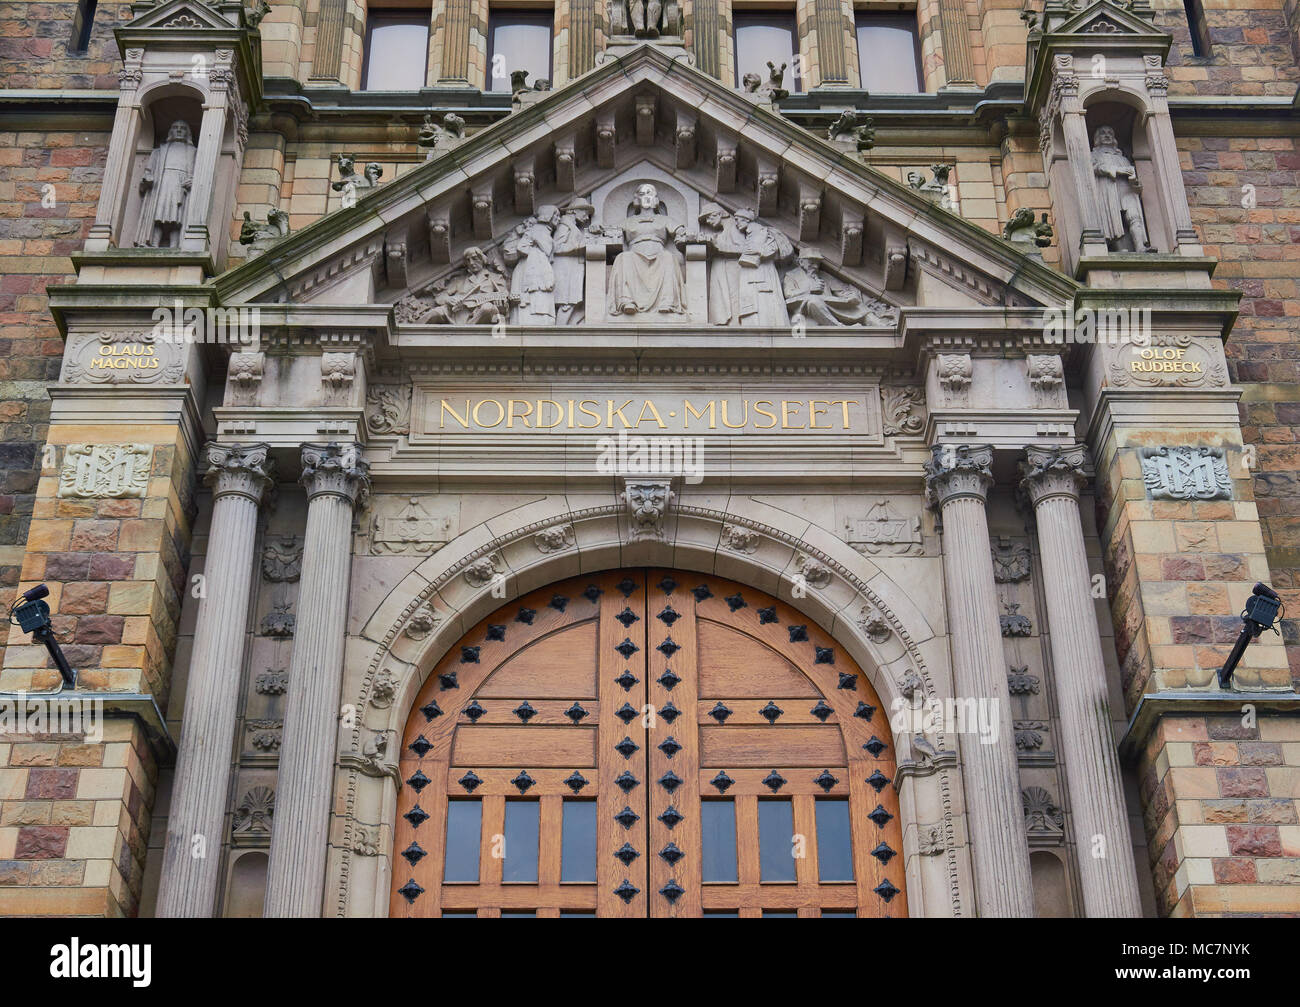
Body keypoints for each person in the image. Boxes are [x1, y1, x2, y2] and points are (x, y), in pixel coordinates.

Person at [606, 183, 688, 319]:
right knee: (623, 257)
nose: (646, 197)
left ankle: (667, 302)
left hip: (658, 252)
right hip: (635, 253)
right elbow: (609, 233)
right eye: (642, 194)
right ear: (636, 199)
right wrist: (596, 229)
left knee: (668, 257)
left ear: (655, 199)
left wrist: (683, 235)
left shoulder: (664, 220)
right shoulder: (628, 221)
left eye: (649, 193)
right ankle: (627, 301)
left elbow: (680, 230)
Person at [135, 120, 196, 248]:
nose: (179, 130)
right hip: (161, 184)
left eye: (183, 128)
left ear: (188, 133)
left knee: (177, 217)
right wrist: (148, 178)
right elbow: (148, 171)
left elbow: (200, 174)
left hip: (180, 186)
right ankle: (153, 243)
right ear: (170, 131)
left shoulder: (194, 152)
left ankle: (175, 246)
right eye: (175, 127)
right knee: (158, 214)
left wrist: (193, 181)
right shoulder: (159, 151)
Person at [1091, 125, 1152, 252]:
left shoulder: (1123, 158)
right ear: (1097, 138)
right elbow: (1094, 167)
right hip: (1108, 189)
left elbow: (1134, 179)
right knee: (1114, 219)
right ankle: (1120, 249)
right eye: (1103, 133)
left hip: (1126, 189)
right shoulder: (1094, 155)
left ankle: (1140, 247)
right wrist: (1116, 170)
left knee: (1134, 216)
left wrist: (1135, 183)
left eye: (1110, 133)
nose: (1107, 135)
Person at [504, 205, 559, 325]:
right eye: (555, 215)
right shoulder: (537, 230)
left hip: (538, 267)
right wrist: (534, 251)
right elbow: (522, 247)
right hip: (533, 270)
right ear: (547, 215)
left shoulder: (542, 231)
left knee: (539, 297)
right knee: (536, 297)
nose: (558, 219)